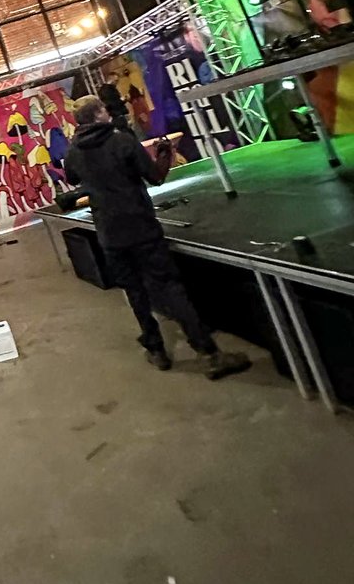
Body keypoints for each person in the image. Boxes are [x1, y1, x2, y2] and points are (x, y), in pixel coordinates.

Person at [63, 95, 251, 378]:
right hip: (140, 228)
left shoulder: (74, 152)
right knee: (169, 287)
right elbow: (155, 177)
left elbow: (73, 178)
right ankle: (209, 353)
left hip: (110, 234)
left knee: (135, 292)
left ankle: (156, 350)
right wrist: (165, 153)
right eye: (103, 108)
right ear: (99, 114)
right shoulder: (122, 141)